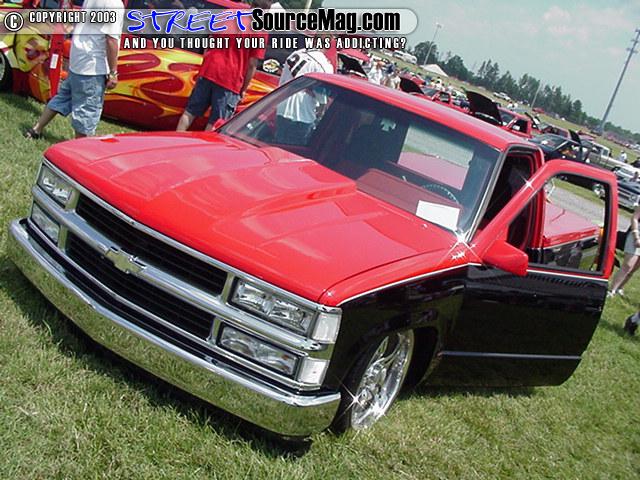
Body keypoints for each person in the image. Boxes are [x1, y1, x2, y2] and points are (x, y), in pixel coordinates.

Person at [24, 0, 124, 139]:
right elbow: (111, 40)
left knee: (62, 98)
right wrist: (113, 72)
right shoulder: (114, 4)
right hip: (93, 66)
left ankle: (36, 130)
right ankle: (80, 148)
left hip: (78, 60)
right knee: (87, 111)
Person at [176, 0, 272, 131]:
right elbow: (252, 64)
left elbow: (210, 41)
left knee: (190, 112)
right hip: (230, 80)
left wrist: (205, 65)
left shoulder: (229, 13)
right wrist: (243, 89)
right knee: (216, 123)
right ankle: (205, 146)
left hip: (209, 70)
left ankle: (176, 137)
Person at [275, 42, 334, 144]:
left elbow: (282, 81)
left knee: (277, 144)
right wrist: (322, 106)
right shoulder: (323, 64)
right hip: (302, 113)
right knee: (294, 148)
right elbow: (321, 93)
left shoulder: (296, 54)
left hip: (283, 106)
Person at [609, 205, 640, 296]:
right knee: (628, 265)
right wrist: (636, 237)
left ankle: (620, 288)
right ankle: (612, 290)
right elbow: (635, 218)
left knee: (634, 268)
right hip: (637, 234)